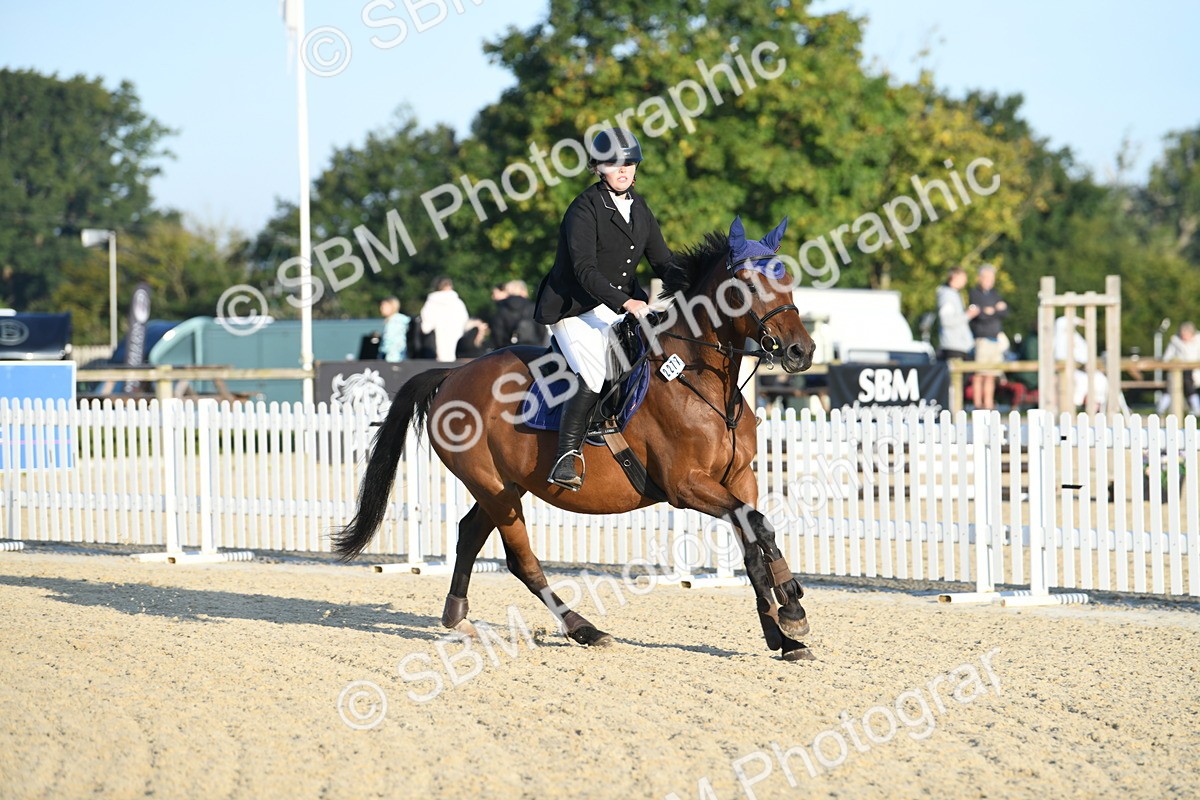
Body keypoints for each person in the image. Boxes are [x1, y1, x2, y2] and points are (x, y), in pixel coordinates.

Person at [532, 127, 674, 490]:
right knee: (594, 375)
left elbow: (663, 262)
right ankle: (565, 456)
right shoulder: (583, 209)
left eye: (629, 162)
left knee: (652, 355)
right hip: (573, 309)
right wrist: (626, 302)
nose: (623, 169)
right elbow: (584, 270)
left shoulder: (639, 207)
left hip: (615, 308)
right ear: (598, 168)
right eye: (614, 164)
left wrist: (706, 278)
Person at [968, 265, 1009, 409]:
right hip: (982, 339)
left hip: (995, 339)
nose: (989, 281)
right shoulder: (974, 293)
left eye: (992, 278)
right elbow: (979, 314)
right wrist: (992, 310)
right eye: (986, 278)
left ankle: (989, 403)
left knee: (991, 374)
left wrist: (991, 311)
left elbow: (1004, 312)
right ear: (980, 278)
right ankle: (978, 404)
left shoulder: (994, 294)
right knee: (980, 373)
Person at [418, 276, 470, 363]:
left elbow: (425, 328)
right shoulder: (458, 303)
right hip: (457, 338)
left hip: (437, 342)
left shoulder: (431, 303)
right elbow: (466, 321)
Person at [1157, 321, 1200, 414]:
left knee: (1187, 383)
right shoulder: (1175, 341)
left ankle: (1196, 408)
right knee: (1173, 384)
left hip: (1195, 372)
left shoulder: (1198, 341)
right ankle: (1161, 409)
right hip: (1177, 372)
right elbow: (1166, 357)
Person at [936, 267, 978, 361]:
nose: (965, 281)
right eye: (963, 278)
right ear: (954, 277)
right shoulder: (947, 296)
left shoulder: (954, 294)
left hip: (960, 346)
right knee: (956, 375)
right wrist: (968, 315)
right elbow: (946, 320)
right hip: (953, 346)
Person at [491, 279, 548, 348]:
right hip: (534, 350)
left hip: (510, 352)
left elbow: (497, 336)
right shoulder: (533, 307)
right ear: (523, 291)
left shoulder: (501, 310)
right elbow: (542, 331)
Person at [377, 296, 410, 362]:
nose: (381, 309)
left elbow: (391, 341)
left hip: (394, 357)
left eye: (384, 306)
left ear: (392, 306)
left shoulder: (396, 321)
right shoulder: (396, 320)